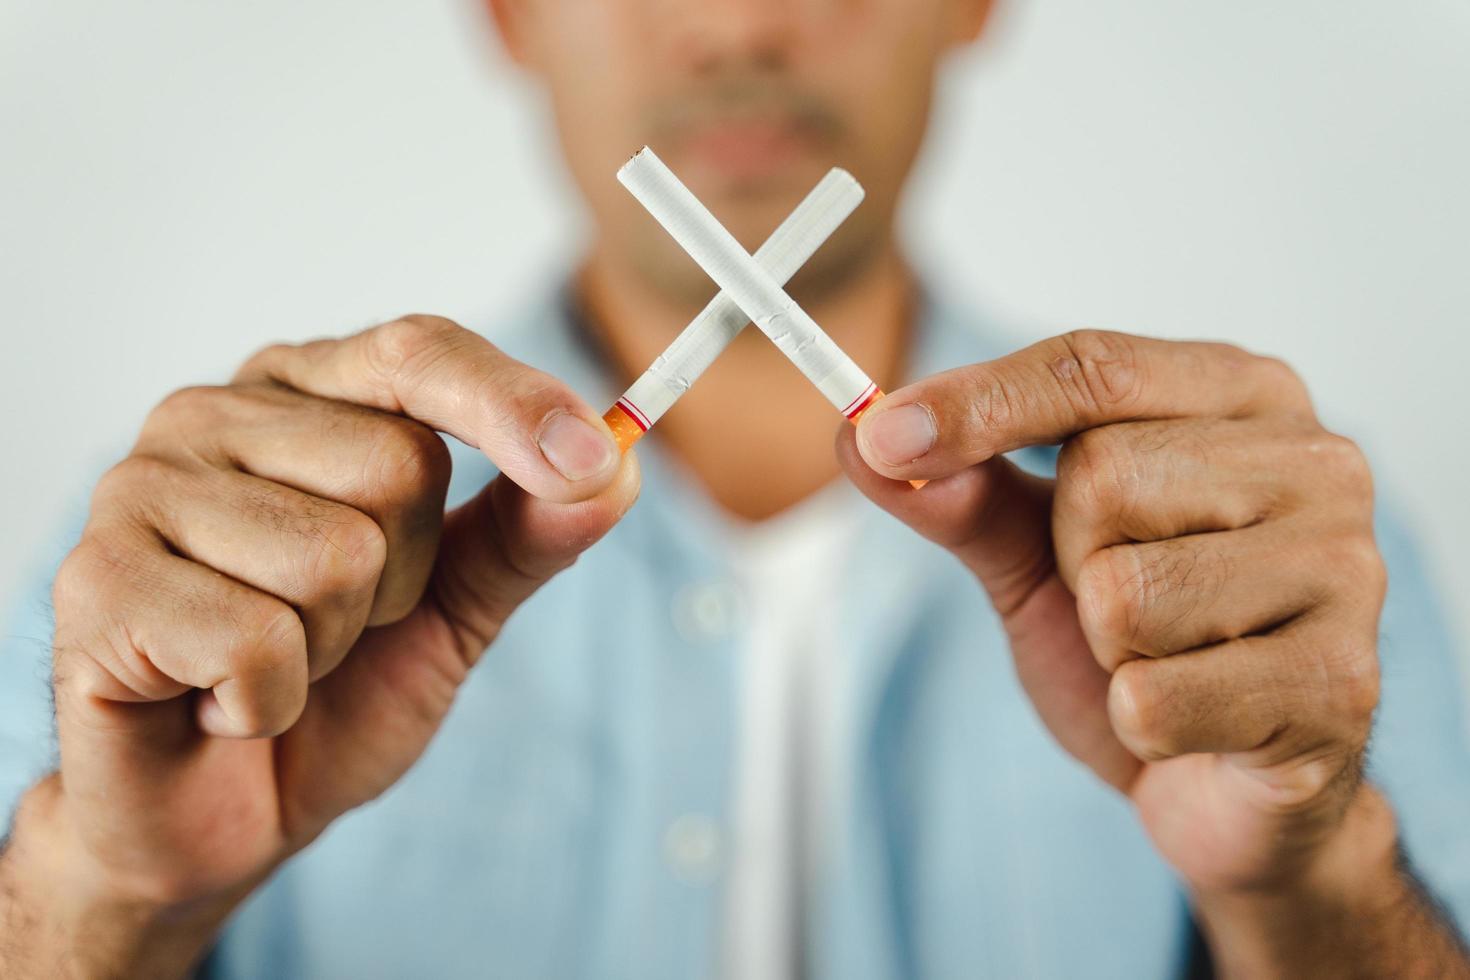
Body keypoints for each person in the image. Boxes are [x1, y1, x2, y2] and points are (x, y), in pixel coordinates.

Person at [2, 0, 1468, 976]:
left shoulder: (1256, 552)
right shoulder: (196, 565)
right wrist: (110, 902)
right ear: (510, 14)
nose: (736, 22)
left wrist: (1309, 884)